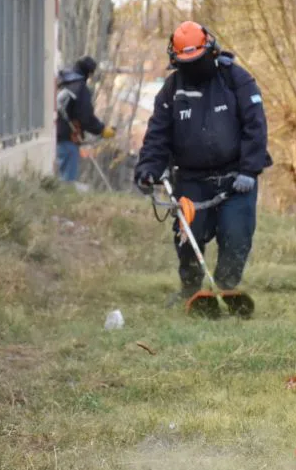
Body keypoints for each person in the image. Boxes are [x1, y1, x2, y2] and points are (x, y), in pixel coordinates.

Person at [134, 21, 271, 304]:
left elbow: (255, 126)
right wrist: (148, 169)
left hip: (236, 179)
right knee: (188, 237)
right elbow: (158, 134)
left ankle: (225, 287)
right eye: (186, 63)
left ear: (210, 52)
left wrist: (249, 169)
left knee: (236, 235)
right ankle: (191, 290)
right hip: (191, 180)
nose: (192, 68)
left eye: (197, 61)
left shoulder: (236, 80)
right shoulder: (172, 90)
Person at [55, 56, 115, 182]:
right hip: (69, 138)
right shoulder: (80, 88)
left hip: (56, 136)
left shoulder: (63, 83)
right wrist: (101, 130)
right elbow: (85, 116)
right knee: (67, 181)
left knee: (59, 178)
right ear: (89, 73)